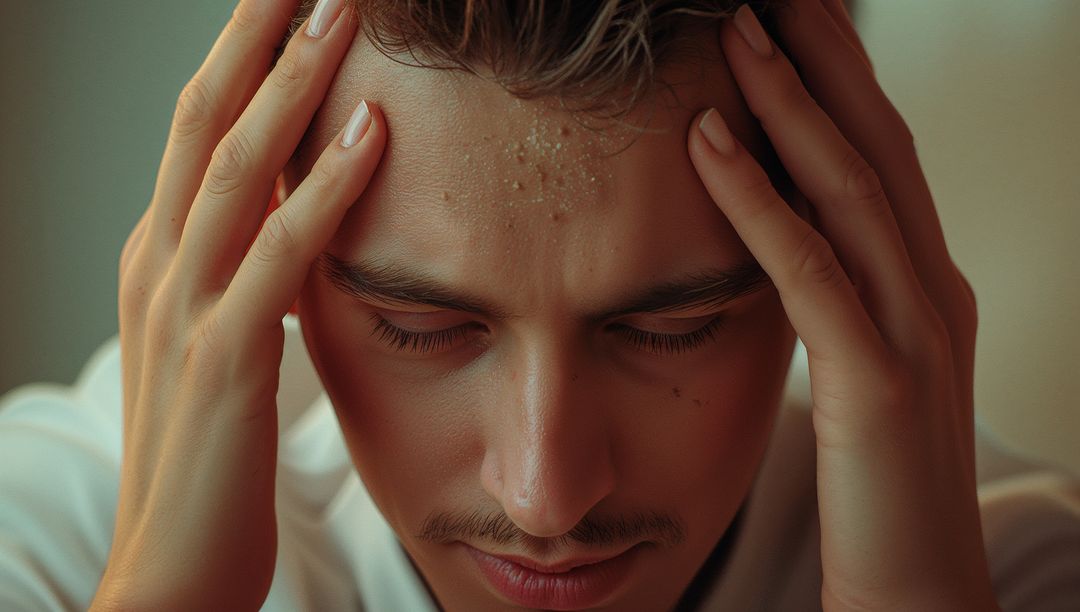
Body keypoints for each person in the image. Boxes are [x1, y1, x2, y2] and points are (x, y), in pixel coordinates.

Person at [1, 0, 1078, 609]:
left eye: (669, 327)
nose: (545, 497)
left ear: (841, 251)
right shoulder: (49, 540)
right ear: (266, 240)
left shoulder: (1013, 574)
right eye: (420, 325)